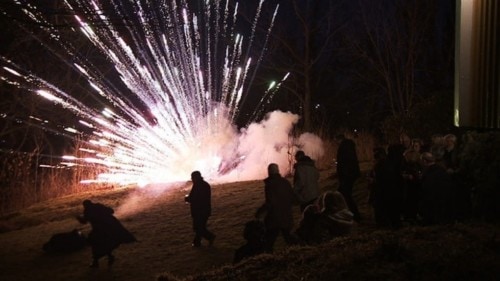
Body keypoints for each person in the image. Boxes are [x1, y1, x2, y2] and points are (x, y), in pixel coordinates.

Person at [77, 200, 137, 268]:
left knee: (97, 244)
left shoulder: (88, 210)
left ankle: (97, 261)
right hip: (108, 227)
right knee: (105, 243)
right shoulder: (98, 206)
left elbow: (84, 221)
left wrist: (78, 218)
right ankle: (104, 258)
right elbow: (111, 211)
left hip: (101, 229)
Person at [255, 163, 296, 252]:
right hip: (286, 215)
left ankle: (268, 258)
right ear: (278, 171)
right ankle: (298, 252)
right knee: (288, 237)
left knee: (269, 241)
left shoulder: (270, 184)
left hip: (274, 218)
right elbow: (292, 197)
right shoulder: (285, 182)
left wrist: (260, 212)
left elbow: (270, 202)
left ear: (269, 172)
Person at [334, 134, 362, 222]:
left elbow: (346, 162)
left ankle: (354, 215)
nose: (336, 143)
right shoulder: (348, 146)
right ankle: (350, 214)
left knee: (345, 195)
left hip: (347, 175)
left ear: (339, 139)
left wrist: (343, 174)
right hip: (349, 175)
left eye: (336, 140)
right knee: (343, 194)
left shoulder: (344, 147)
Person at [185, 171, 216, 247]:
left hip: (199, 210)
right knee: (200, 227)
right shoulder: (203, 184)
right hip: (204, 210)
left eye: (192, 177)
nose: (192, 179)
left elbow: (195, 198)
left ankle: (210, 237)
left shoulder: (198, 185)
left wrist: (187, 198)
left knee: (198, 227)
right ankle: (197, 243)